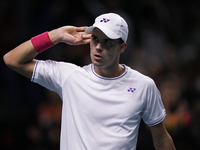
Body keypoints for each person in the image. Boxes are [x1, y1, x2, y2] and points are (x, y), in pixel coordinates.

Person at [3, 13, 176, 150]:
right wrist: (54, 36)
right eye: (95, 39)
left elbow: (161, 140)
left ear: (122, 46)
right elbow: (12, 59)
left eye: (107, 41)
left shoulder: (144, 86)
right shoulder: (70, 76)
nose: (99, 47)